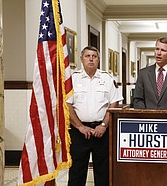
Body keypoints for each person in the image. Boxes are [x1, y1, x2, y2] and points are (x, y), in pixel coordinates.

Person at [67, 46, 123, 186]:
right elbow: (67, 106)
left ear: (98, 60)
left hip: (102, 132)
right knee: (76, 173)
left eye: (94, 56)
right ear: (81, 59)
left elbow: (114, 103)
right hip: (79, 132)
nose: (91, 59)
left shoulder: (107, 78)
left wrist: (103, 125)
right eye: (87, 56)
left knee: (103, 172)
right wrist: (80, 127)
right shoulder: (73, 79)